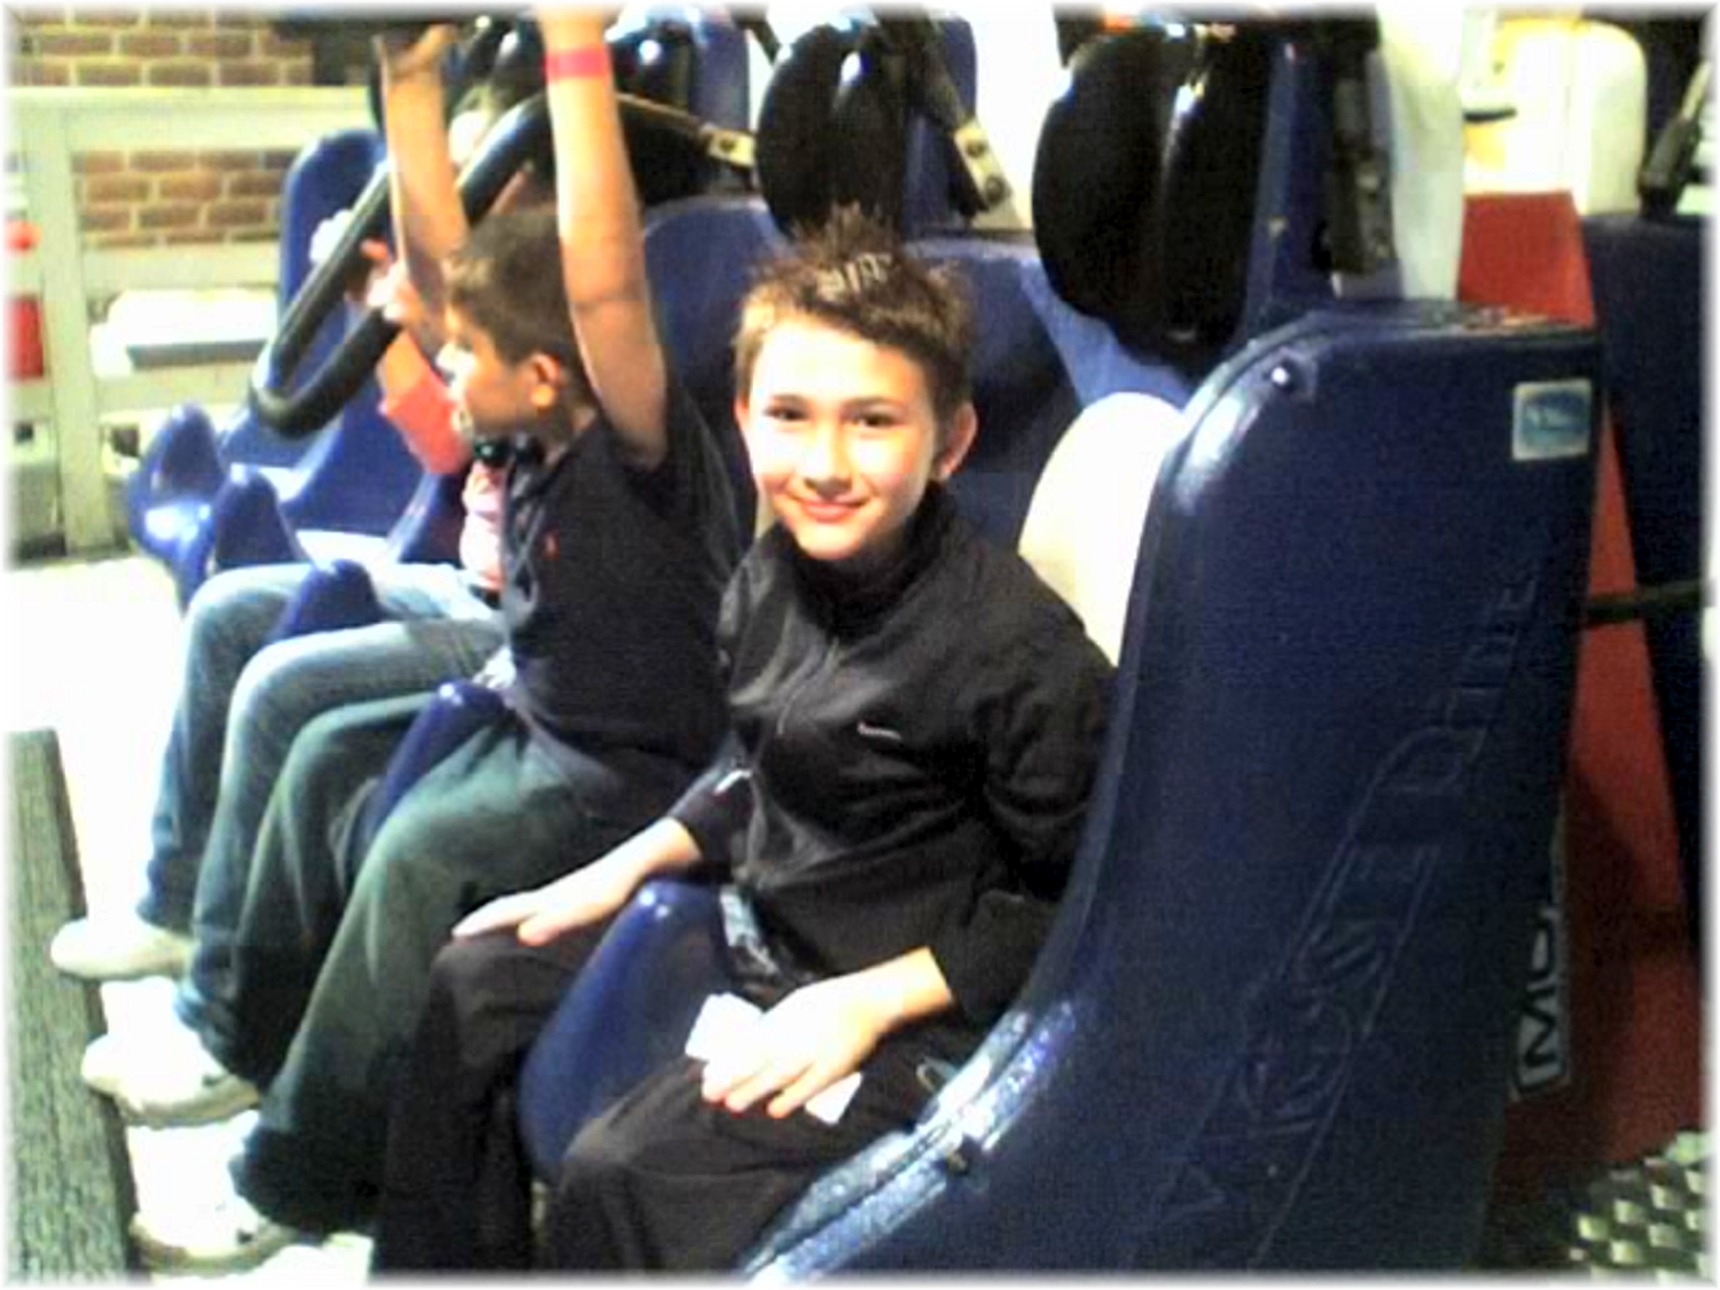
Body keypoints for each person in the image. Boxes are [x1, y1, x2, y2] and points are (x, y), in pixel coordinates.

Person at [369, 201, 1117, 1272]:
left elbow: (1088, 908)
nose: (825, 462)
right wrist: (614, 872)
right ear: (744, 418)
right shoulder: (771, 578)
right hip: (768, 932)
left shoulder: (1017, 655)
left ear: (950, 442)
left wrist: (871, 1001)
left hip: (909, 1008)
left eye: (873, 422)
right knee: (478, 977)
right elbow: (752, 766)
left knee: (621, 1173)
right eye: (790, 417)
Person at [116, 15, 741, 1273]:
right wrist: (408, 76)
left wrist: (573, 42)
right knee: (323, 755)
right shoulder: (531, 423)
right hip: (536, 711)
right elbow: (451, 268)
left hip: (621, 769)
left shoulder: (634, 442)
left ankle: (291, 1178)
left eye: (465, 358)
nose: (445, 366)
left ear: (548, 373)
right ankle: (245, 1040)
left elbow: (603, 281)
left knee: (414, 851)